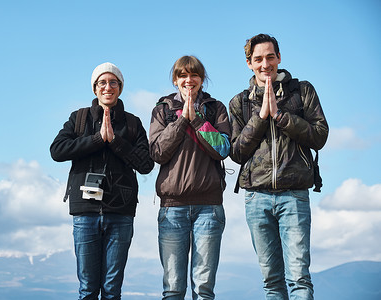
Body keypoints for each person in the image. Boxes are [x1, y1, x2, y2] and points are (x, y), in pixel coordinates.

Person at [228, 34, 329, 299]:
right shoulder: (240, 102)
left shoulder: (302, 91)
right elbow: (236, 152)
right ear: (249, 63)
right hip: (256, 198)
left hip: (294, 195)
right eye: (258, 59)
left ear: (279, 58)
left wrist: (281, 116)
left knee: (299, 279)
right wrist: (261, 117)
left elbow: (320, 136)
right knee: (272, 282)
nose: (265, 64)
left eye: (270, 57)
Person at [50, 62, 154, 300]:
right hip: (85, 211)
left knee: (111, 289)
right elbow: (57, 150)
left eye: (113, 82)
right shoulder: (79, 118)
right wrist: (97, 140)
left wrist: (115, 142)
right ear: (95, 88)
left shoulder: (132, 123)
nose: (108, 87)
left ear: (120, 87)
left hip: (121, 211)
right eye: (102, 83)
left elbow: (146, 164)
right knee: (87, 289)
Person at [149, 55, 231, 300]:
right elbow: (157, 152)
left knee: (203, 289)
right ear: (175, 80)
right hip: (172, 209)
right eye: (182, 75)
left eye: (193, 75)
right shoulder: (162, 110)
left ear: (201, 79)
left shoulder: (215, 109)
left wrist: (196, 119)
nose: (188, 80)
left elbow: (223, 149)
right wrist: (182, 119)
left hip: (209, 208)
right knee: (173, 288)